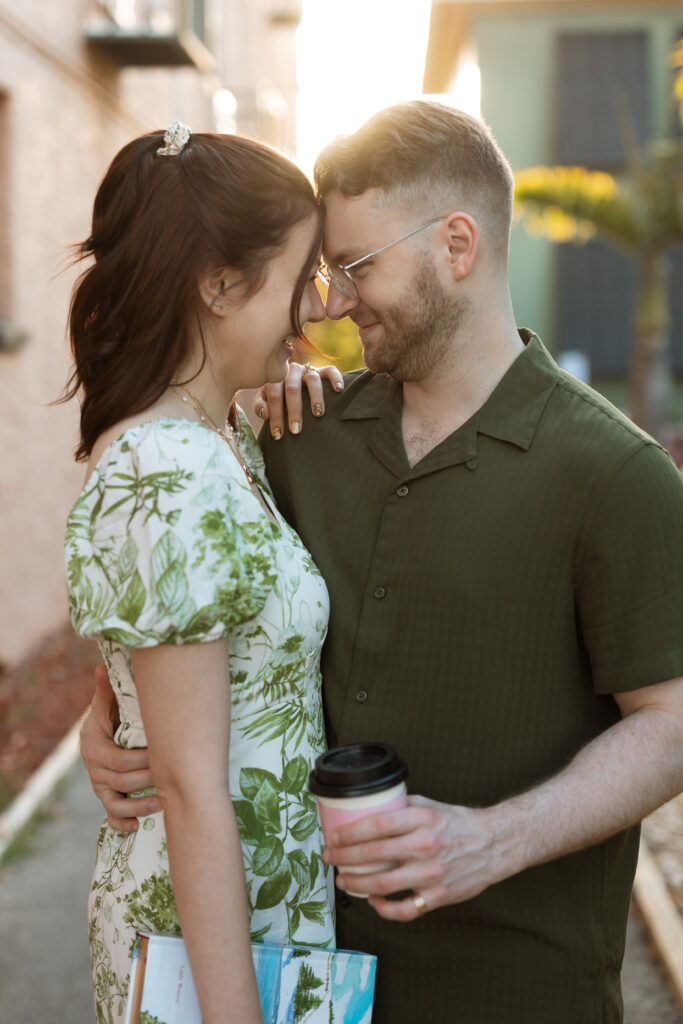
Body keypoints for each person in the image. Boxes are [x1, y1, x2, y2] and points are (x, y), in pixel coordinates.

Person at [79, 103, 683, 1023]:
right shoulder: (292, 430)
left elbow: (672, 720)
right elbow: (178, 593)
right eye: (322, 270)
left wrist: (491, 839)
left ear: (456, 245)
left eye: (357, 266)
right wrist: (112, 714)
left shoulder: (616, 473)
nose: (333, 298)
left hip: (513, 992)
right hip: (300, 975)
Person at [63, 120, 342, 1024]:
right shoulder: (170, 469)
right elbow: (187, 783)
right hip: (212, 954)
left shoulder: (213, 442)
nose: (314, 311)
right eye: (300, 281)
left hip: (245, 924)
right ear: (220, 284)